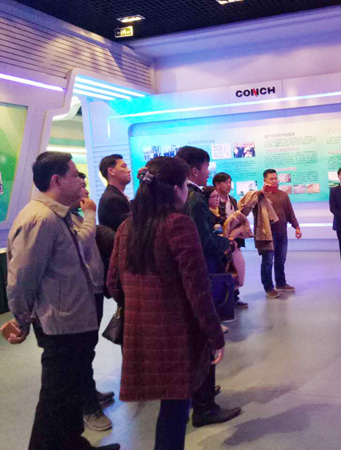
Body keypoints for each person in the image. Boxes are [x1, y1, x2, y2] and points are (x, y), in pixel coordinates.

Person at [106, 157, 226, 450]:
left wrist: (140, 306)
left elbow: (112, 283)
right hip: (176, 333)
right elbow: (197, 290)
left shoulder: (126, 227)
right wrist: (215, 335)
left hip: (141, 331)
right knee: (175, 410)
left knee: (170, 409)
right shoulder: (179, 225)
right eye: (185, 185)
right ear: (175, 189)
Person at [3, 151, 119, 450]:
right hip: (61, 324)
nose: (80, 180)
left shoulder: (59, 215)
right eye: (74, 174)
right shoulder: (39, 219)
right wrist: (21, 319)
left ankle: (73, 444)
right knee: (56, 399)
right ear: (56, 180)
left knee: (69, 396)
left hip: (74, 318)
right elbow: (22, 277)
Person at [175, 146, 242, 428]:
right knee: (204, 338)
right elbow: (201, 241)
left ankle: (200, 394)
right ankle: (204, 407)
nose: (208, 173)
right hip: (200, 273)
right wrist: (225, 242)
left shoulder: (177, 197)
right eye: (206, 168)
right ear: (194, 170)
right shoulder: (195, 199)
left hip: (183, 277)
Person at [71, 172, 115, 431]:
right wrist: (90, 214)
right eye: (80, 185)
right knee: (79, 352)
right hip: (78, 296)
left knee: (88, 348)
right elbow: (82, 243)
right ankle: (87, 406)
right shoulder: (61, 218)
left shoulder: (75, 216)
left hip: (92, 291)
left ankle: (88, 392)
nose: (86, 191)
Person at [253, 169, 302, 298]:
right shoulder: (259, 196)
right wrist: (261, 193)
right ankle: (268, 287)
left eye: (276, 178)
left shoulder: (283, 195)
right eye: (271, 179)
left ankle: (280, 283)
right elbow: (250, 206)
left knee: (280, 260)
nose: (274, 181)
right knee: (267, 261)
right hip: (267, 235)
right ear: (265, 180)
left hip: (282, 233)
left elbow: (289, 212)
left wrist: (296, 227)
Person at [213, 172, 248, 308]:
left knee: (237, 268)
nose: (229, 185)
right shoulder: (213, 200)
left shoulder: (232, 200)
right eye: (226, 182)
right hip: (221, 241)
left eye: (230, 182)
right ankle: (225, 300)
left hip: (235, 241)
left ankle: (235, 297)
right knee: (224, 269)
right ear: (217, 184)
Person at [98, 154, 131, 232]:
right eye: (123, 166)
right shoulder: (112, 199)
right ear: (111, 171)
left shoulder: (116, 195)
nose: (128, 170)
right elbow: (126, 230)